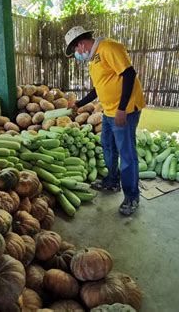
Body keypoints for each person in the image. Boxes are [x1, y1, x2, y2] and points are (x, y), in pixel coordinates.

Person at [64, 26, 146, 216]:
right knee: (107, 146)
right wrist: (80, 103)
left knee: (127, 154)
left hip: (123, 110)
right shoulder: (94, 60)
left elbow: (129, 74)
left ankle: (132, 196)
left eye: (76, 50)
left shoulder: (109, 47)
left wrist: (122, 109)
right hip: (109, 111)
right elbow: (98, 88)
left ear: (81, 44)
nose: (77, 54)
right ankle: (112, 181)